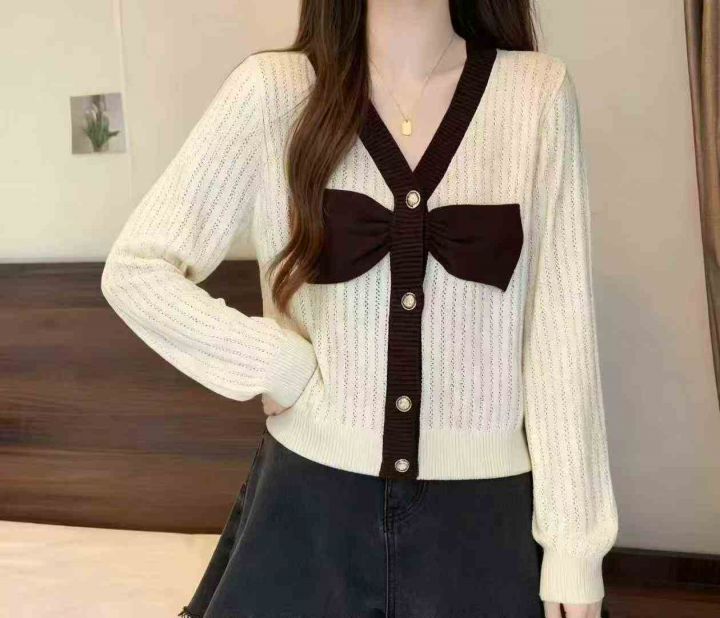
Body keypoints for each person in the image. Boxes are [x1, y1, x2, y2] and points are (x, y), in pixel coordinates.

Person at [101, 1, 619, 617]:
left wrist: (575, 549)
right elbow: (136, 269)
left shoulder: (536, 96)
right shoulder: (273, 93)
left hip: (482, 524)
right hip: (307, 510)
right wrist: (277, 365)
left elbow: (562, 335)